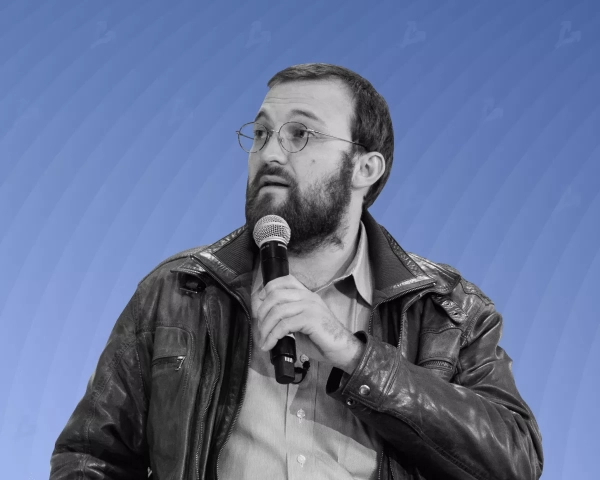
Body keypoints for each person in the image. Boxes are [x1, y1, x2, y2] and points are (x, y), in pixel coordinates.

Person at [50, 63, 543, 480]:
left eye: (300, 134)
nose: (269, 153)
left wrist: (353, 355)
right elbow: (90, 458)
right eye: (261, 134)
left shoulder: (447, 311)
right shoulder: (177, 292)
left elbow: (515, 460)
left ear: (365, 169)